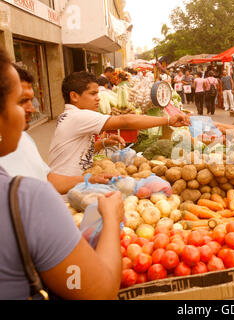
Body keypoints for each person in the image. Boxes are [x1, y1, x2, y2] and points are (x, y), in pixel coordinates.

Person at [0, 48, 124, 300]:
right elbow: (100, 293)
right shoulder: (26, 199)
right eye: (19, 101)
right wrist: (111, 219)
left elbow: (48, 177)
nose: (32, 109)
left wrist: (87, 179)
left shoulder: (24, 143)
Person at [48, 71, 190, 177]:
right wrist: (167, 120)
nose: (98, 99)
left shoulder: (69, 115)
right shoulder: (78, 116)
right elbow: (125, 121)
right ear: (74, 96)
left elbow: (78, 151)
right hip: (66, 189)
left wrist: (104, 143)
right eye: (93, 94)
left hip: (71, 183)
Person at [0, 65, 115, 195]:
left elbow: (48, 179)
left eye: (31, 100)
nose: (32, 109)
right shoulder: (75, 116)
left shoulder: (24, 139)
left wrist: (90, 180)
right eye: (22, 101)